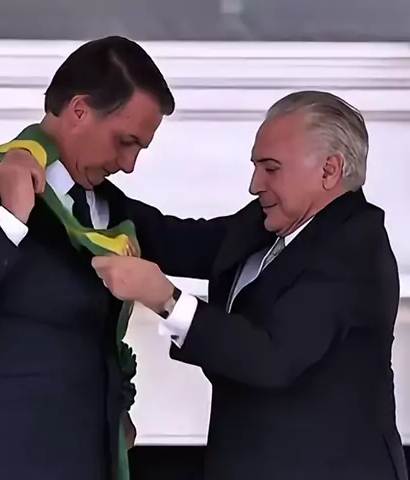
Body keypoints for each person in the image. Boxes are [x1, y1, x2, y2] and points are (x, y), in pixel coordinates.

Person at [91, 91, 408, 480]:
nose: (255, 185)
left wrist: (167, 301)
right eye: (256, 167)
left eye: (271, 168)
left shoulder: (356, 248)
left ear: (329, 170)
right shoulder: (267, 221)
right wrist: (81, 181)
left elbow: (272, 356)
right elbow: (178, 240)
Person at [0, 36, 175, 480]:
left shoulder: (113, 212)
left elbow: (207, 243)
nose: (129, 164)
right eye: (125, 142)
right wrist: (9, 222)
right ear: (79, 110)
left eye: (139, 148)